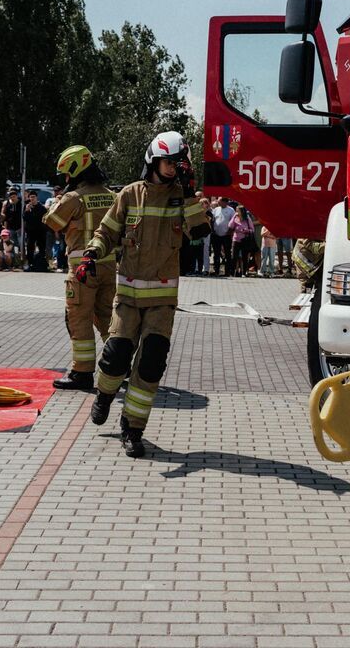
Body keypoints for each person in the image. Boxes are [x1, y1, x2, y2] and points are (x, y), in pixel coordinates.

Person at [77, 131, 211, 458]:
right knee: (116, 357)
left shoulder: (182, 197)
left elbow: (200, 231)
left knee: (151, 364)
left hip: (162, 301)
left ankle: (132, 429)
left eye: (178, 162)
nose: (173, 167)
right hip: (128, 297)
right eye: (168, 161)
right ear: (154, 160)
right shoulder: (129, 195)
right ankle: (105, 396)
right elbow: (106, 231)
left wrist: (191, 196)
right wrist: (92, 252)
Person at [45, 145, 117, 391]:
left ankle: (82, 372)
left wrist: (57, 202)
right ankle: (119, 364)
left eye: (66, 175)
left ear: (75, 172)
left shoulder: (73, 198)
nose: (66, 180)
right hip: (109, 266)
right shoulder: (111, 195)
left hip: (81, 269)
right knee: (107, 317)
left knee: (79, 318)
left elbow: (52, 222)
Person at [22, 190, 48, 271]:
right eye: (31, 197)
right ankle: (30, 264)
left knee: (42, 248)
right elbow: (24, 218)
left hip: (41, 231)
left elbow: (45, 219)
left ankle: (41, 264)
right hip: (30, 232)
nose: (32, 199)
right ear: (29, 198)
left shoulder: (42, 207)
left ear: (37, 198)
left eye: (34, 197)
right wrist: (26, 211)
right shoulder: (27, 207)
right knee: (30, 248)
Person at [209, 197, 235, 276]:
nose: (218, 202)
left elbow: (233, 222)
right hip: (216, 235)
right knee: (216, 254)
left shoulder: (231, 210)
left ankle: (227, 272)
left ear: (225, 202)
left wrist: (229, 232)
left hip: (226, 236)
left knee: (227, 254)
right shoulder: (216, 209)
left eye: (219, 201)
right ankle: (216, 271)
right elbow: (212, 220)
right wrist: (213, 230)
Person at [229, 205, 257, 276]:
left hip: (245, 240)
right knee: (233, 257)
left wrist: (246, 230)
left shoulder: (247, 219)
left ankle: (244, 272)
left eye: (238, 211)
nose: (236, 212)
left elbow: (252, 230)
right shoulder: (235, 218)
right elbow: (230, 226)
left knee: (244, 257)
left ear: (242, 211)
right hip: (236, 239)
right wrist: (233, 217)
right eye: (236, 210)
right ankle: (232, 272)